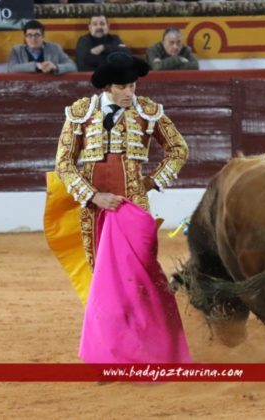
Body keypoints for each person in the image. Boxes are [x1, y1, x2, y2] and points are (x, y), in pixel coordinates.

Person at [47, 52, 191, 363]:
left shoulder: (148, 112)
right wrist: (93, 196)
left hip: (134, 209)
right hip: (95, 211)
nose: (130, 93)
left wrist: (151, 182)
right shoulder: (81, 113)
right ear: (108, 87)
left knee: (140, 280)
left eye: (133, 86)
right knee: (104, 282)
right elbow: (64, 163)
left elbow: (179, 149)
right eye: (123, 87)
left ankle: (151, 351)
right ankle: (111, 355)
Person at [8, 19, 77, 74]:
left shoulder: (55, 48)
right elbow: (11, 69)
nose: (33, 38)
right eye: (29, 35)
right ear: (25, 38)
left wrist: (55, 67)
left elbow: (73, 66)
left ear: (43, 37)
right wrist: (36, 66)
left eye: (37, 35)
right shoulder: (17, 50)